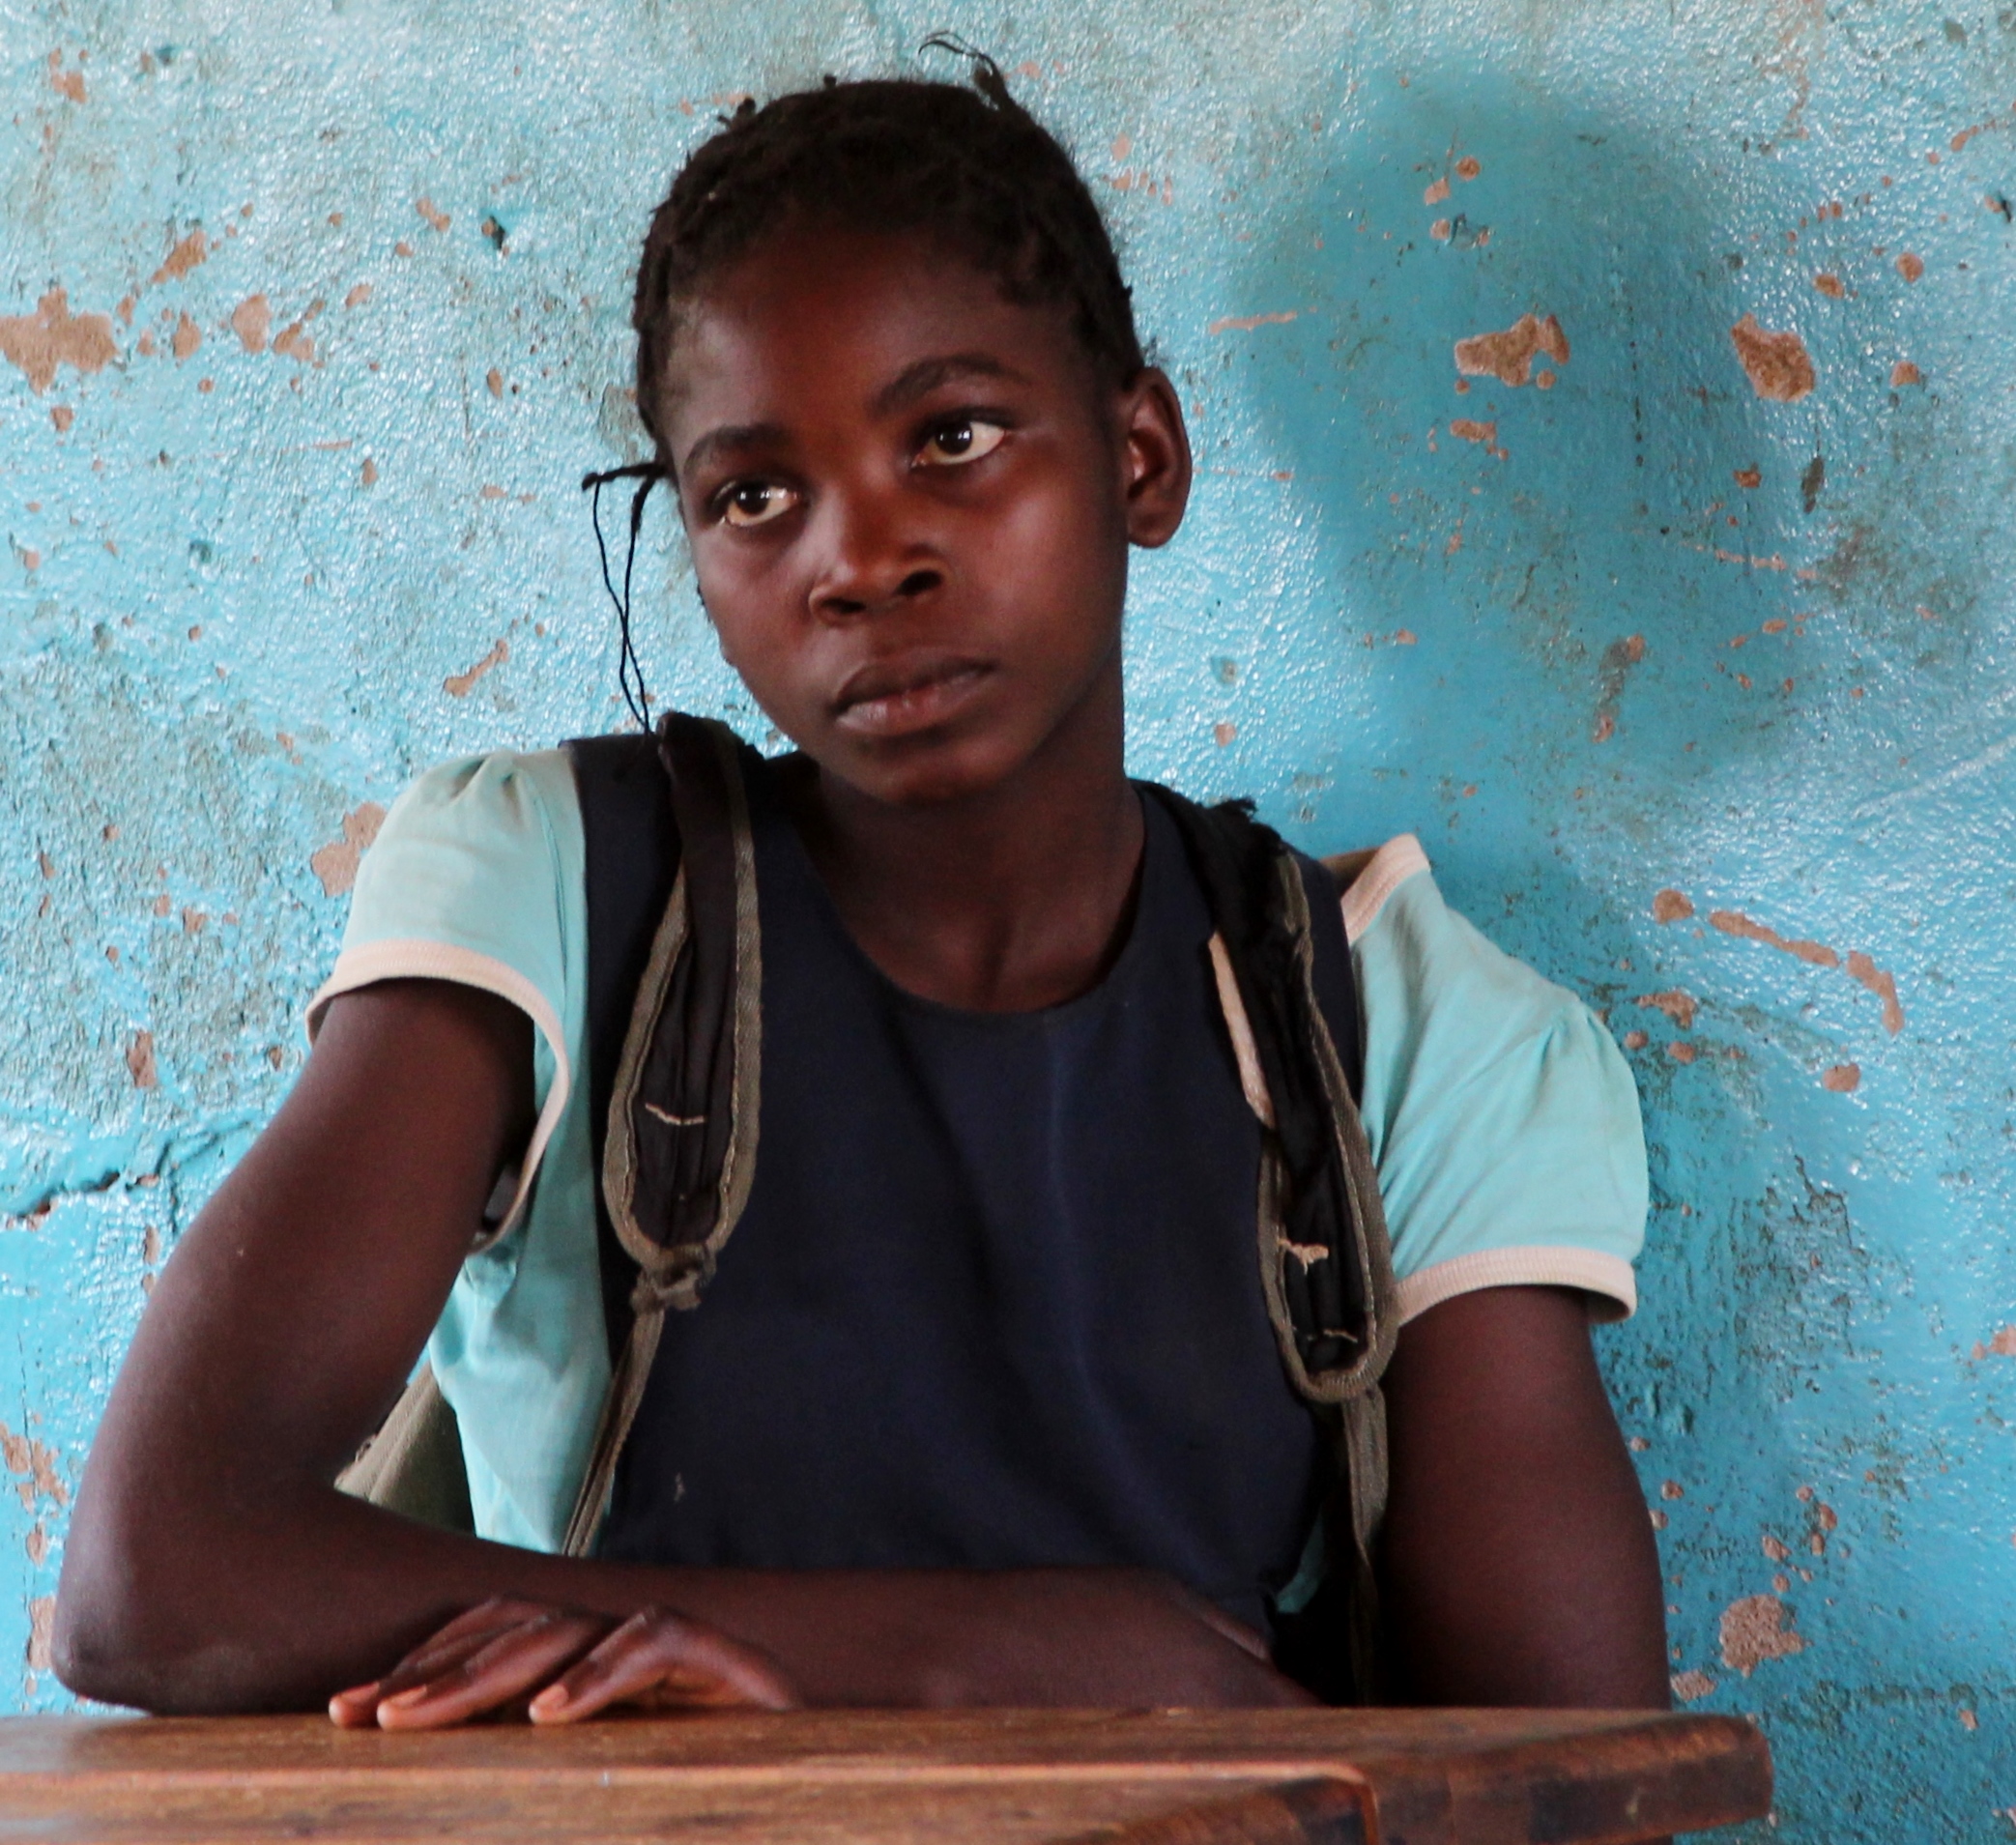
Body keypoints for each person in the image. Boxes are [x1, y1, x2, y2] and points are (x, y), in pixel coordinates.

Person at [53, 63, 1667, 1725]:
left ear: (1139, 458)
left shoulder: (1386, 1023)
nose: (857, 561)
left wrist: (1157, 1716)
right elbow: (154, 1573)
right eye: (755, 495)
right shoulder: (557, 895)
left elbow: (1576, 1776)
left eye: (953, 438)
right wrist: (1004, 1657)